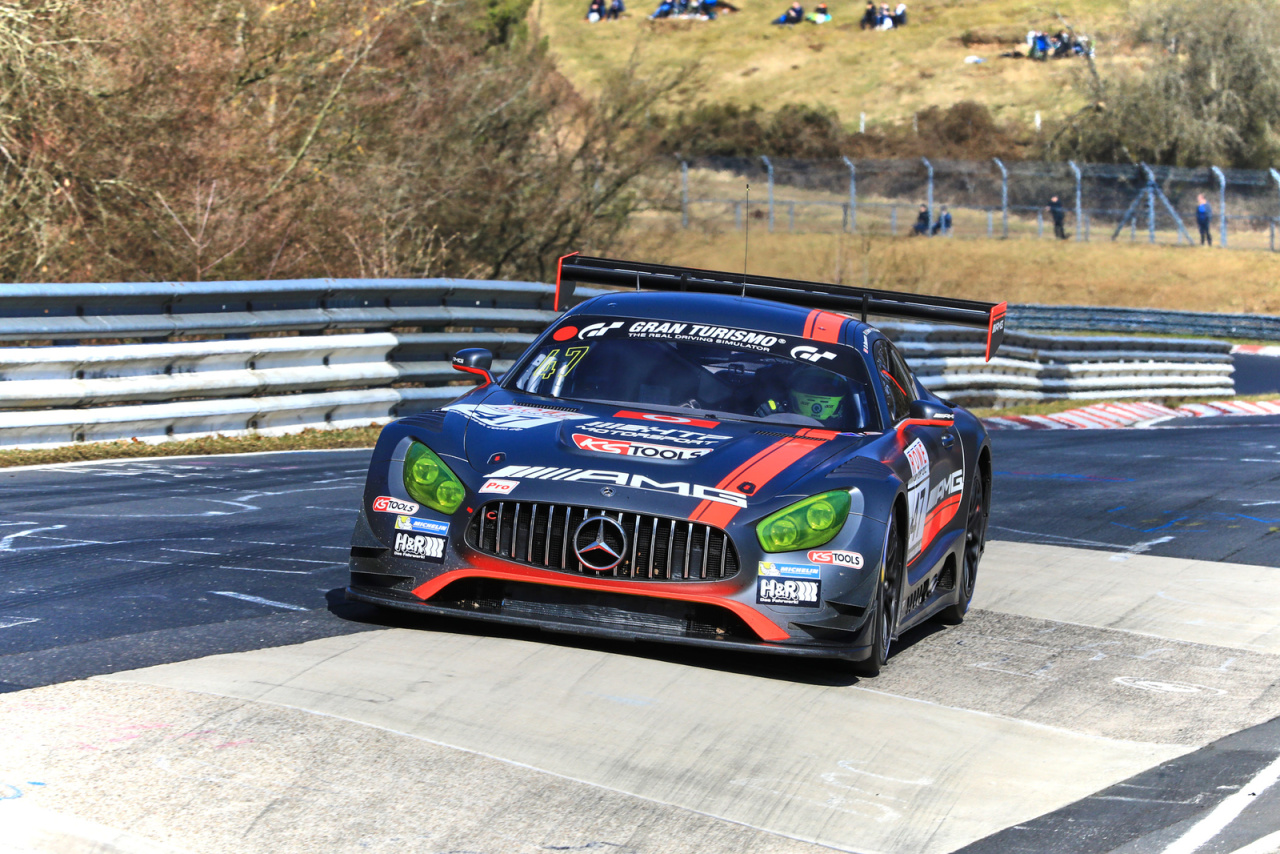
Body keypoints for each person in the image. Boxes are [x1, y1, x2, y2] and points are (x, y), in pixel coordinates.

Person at [754, 366, 854, 429]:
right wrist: (770, 417)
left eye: (827, 389)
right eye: (811, 387)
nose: (818, 392)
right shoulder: (773, 413)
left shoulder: (855, 422)